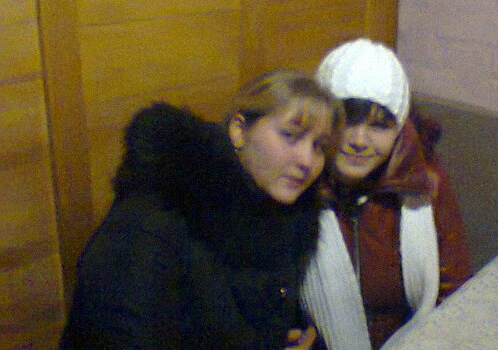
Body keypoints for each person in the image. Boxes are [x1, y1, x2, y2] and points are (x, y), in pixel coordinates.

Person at [60, 69, 343, 350]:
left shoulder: (286, 220)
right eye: (290, 135)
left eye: (319, 146)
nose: (307, 160)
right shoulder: (151, 223)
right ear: (239, 131)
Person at [300, 39, 471, 350]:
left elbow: (454, 295)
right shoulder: (295, 184)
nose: (359, 140)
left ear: (399, 130)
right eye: (347, 120)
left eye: (379, 126)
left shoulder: (424, 185)